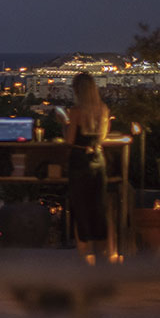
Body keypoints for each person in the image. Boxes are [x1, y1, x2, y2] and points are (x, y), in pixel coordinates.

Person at [57, 72, 111, 264]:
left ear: (78, 90)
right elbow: (103, 138)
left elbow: (69, 141)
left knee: (81, 207)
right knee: (98, 206)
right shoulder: (103, 109)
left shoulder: (76, 111)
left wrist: (65, 123)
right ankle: (103, 253)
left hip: (79, 161)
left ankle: (84, 255)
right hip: (98, 159)